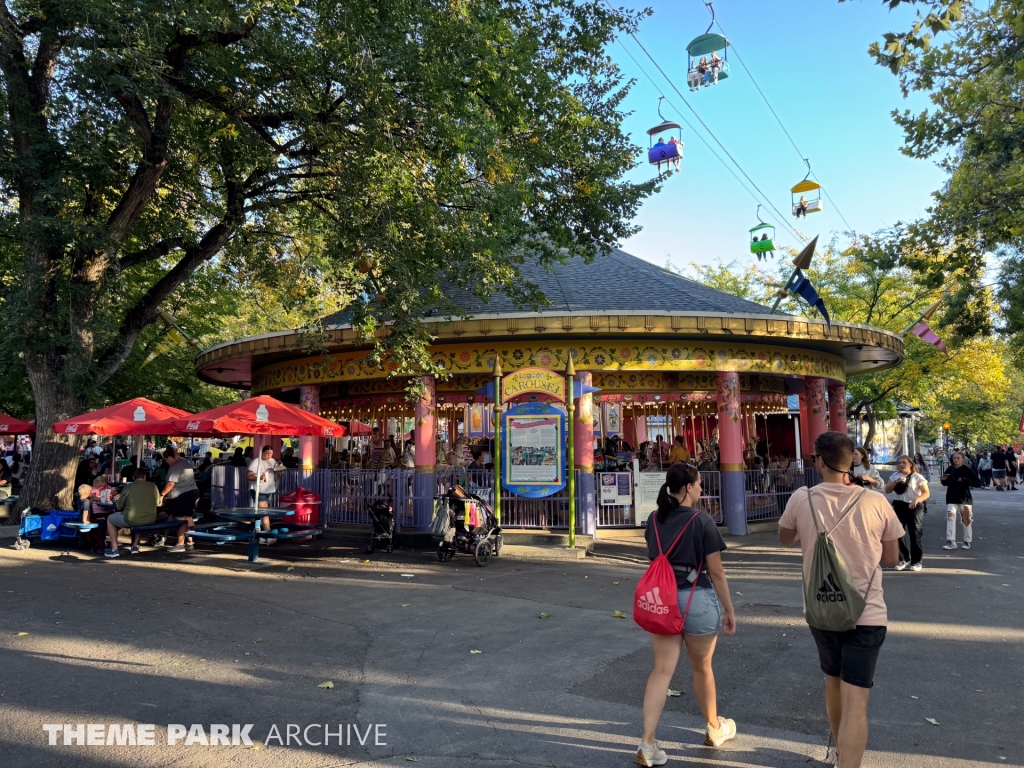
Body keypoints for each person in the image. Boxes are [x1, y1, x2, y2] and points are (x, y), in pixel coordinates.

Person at [779, 431, 903, 768]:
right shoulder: (875, 501)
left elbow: (784, 536)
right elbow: (891, 558)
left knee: (833, 683)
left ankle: (838, 754)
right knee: (857, 700)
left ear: (819, 460)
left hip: (821, 608)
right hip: (868, 611)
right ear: (852, 461)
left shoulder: (801, 498)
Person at [636, 463, 737, 764]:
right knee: (701, 668)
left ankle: (647, 743)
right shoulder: (702, 520)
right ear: (689, 488)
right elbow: (716, 572)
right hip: (698, 599)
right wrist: (730, 610)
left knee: (661, 671)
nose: (702, 488)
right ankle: (714, 728)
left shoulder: (655, 519)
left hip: (662, 600)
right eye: (700, 484)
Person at [106, 468, 182, 557]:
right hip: (149, 519)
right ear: (145, 477)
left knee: (110, 519)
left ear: (133, 478)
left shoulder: (128, 487)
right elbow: (159, 504)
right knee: (142, 518)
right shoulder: (153, 486)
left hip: (131, 518)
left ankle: (114, 549)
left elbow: (119, 507)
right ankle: (135, 546)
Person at [884, 455, 930, 571]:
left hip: (914, 505)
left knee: (915, 534)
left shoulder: (917, 477)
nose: (901, 465)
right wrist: (896, 481)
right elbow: (887, 490)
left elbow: (926, 493)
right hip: (899, 505)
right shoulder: (895, 476)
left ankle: (916, 561)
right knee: (897, 533)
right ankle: (904, 558)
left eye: (904, 462)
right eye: (899, 463)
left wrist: (917, 500)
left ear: (910, 464)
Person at [160, 447, 199, 553]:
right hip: (192, 492)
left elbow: (170, 483)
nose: (166, 462)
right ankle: (190, 541)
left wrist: (162, 495)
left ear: (169, 457)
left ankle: (180, 544)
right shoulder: (185, 462)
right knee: (189, 517)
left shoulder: (174, 467)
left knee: (181, 519)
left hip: (181, 495)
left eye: (165, 459)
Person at [940, 451, 980, 551]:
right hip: (952, 497)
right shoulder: (950, 469)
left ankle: (967, 540)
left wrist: (965, 480)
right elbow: (945, 483)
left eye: (958, 458)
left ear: (963, 459)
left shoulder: (967, 470)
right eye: (954, 458)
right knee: (950, 517)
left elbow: (977, 483)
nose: (956, 460)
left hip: (964, 497)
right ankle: (950, 541)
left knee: (965, 519)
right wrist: (943, 480)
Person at [247, 445, 283, 544]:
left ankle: (261, 535)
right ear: (262, 453)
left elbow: (277, 474)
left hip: (269, 489)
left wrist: (279, 472)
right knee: (265, 512)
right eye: (267, 453)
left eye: (271, 454)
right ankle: (268, 534)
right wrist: (259, 477)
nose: (269, 455)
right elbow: (249, 476)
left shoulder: (272, 461)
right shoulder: (256, 462)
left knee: (264, 512)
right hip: (259, 489)